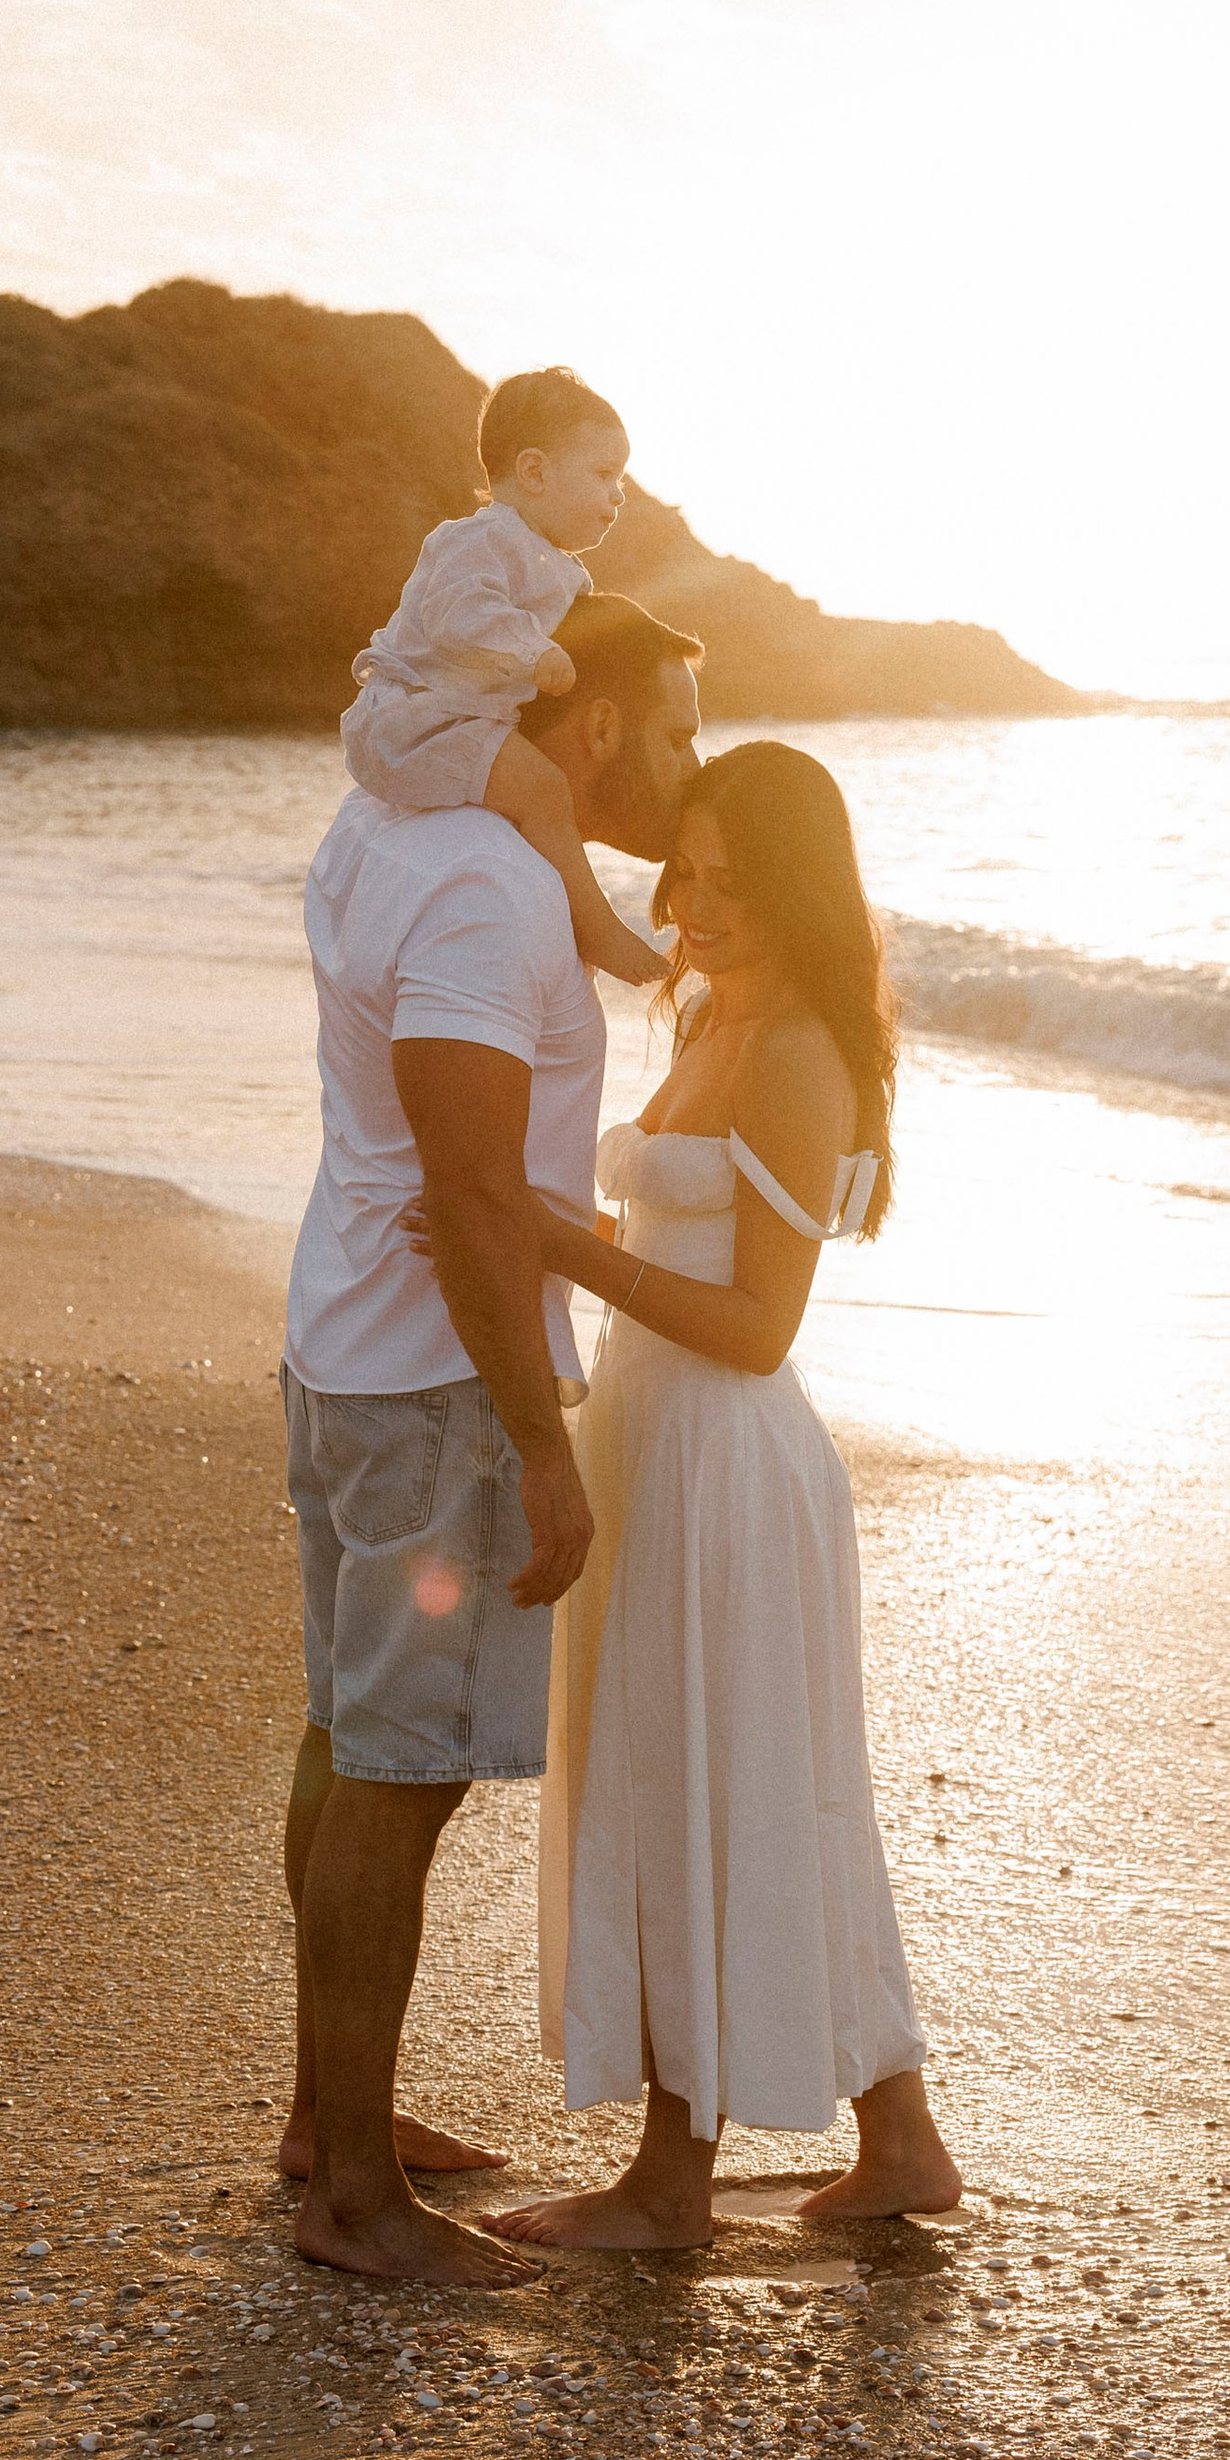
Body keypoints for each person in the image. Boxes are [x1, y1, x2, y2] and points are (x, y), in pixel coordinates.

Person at [479, 740, 962, 2249]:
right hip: (646, 1436)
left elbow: (761, 1327)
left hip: (732, 1463)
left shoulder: (800, 1049)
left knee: (706, 1780)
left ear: (798, 890)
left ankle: (671, 2187)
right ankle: (904, 2143)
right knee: (748, 1778)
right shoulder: (700, 1012)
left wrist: (566, 1251)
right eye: (686, 870)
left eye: (734, 884)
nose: (695, 905)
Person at [278, 592, 705, 2284]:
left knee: (346, 1734)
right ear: (586, 725)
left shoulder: (389, 823)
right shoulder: (488, 888)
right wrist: (537, 1437)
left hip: (344, 1342)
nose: (687, 764)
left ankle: (333, 2122)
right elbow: (470, 1188)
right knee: (404, 1765)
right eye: (672, 727)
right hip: (434, 1378)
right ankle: (358, 2202)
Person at [341, 366, 668, 989]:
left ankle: (564, 896)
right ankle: (597, 928)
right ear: (536, 472)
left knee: (546, 783)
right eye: (605, 476)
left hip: (457, 721)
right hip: (413, 721)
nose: (619, 495)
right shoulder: (476, 539)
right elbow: (463, 614)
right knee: (543, 790)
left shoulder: (561, 569)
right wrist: (533, 653)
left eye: (620, 479)